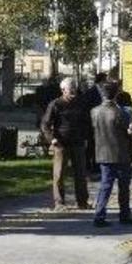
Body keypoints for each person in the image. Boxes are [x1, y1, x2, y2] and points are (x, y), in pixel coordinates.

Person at [90, 80, 132, 227]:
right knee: (123, 187)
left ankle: (99, 215)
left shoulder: (94, 111)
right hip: (120, 153)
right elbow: (130, 133)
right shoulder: (121, 112)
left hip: (102, 152)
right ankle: (124, 215)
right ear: (116, 94)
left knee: (105, 186)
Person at [40, 77, 91, 210]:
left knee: (81, 174)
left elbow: (86, 122)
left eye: (74, 87)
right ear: (63, 90)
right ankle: (59, 203)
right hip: (61, 143)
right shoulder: (56, 104)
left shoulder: (81, 103)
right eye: (70, 88)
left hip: (78, 142)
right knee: (59, 174)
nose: (73, 90)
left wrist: (86, 137)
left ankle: (82, 202)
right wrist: (52, 139)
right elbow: (45, 124)